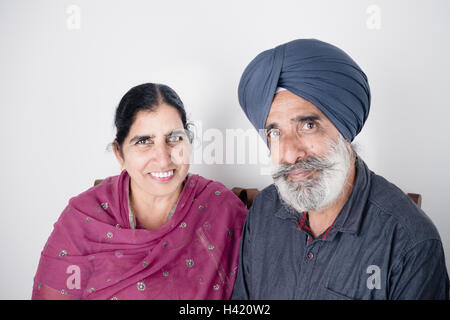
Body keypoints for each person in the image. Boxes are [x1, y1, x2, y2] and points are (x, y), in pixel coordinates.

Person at [231, 39, 449, 300]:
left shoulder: (410, 242)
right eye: (275, 132)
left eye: (308, 126)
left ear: (344, 128)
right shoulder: (264, 210)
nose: (289, 153)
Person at [32, 83, 247, 300]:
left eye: (174, 138)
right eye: (144, 141)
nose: (163, 159)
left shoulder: (222, 210)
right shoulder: (83, 221)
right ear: (119, 153)